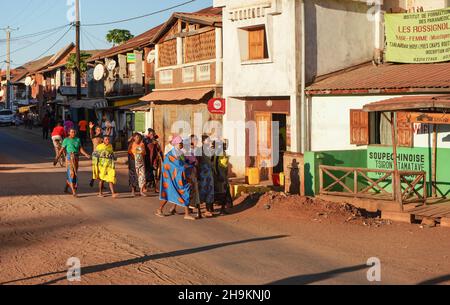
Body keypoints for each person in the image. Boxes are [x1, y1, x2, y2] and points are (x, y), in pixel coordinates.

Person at [157, 136, 195, 221]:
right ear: (176, 144)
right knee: (169, 194)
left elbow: (183, 163)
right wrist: (184, 167)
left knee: (184, 192)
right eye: (180, 143)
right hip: (171, 179)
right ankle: (159, 209)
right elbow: (170, 166)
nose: (182, 144)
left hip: (180, 177)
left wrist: (189, 166)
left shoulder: (180, 153)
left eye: (182, 143)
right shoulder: (170, 155)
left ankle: (186, 213)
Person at [54, 129, 90, 197]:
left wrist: (86, 154)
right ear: (69, 133)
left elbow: (80, 149)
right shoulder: (66, 140)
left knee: (74, 173)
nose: (73, 133)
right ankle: (74, 192)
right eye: (72, 132)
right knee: (72, 174)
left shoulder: (78, 140)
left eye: (74, 132)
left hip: (76, 157)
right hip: (69, 157)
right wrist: (57, 158)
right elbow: (61, 150)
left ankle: (66, 188)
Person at [212, 140, 233, 215]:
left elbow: (225, 165)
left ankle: (223, 208)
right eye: (223, 145)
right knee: (222, 193)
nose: (224, 146)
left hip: (223, 175)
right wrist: (218, 175)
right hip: (220, 176)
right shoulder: (217, 154)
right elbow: (215, 166)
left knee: (224, 191)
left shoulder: (222, 153)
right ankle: (222, 209)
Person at [198, 135, 215, 217]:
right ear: (203, 141)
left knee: (210, 191)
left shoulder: (210, 150)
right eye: (207, 140)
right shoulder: (199, 150)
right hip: (202, 174)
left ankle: (207, 210)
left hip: (209, 173)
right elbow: (197, 162)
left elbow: (212, 161)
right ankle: (200, 210)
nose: (209, 141)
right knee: (202, 192)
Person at [144, 129, 164, 193]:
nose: (152, 135)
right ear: (149, 134)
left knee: (157, 174)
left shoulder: (156, 141)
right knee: (146, 173)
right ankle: (144, 187)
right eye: (151, 134)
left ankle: (156, 188)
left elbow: (159, 150)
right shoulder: (145, 140)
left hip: (155, 160)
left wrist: (163, 159)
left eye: (153, 134)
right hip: (147, 159)